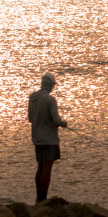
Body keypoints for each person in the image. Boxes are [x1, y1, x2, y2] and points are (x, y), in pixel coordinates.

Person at [28, 72, 67, 202]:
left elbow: (30, 118)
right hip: (49, 139)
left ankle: (38, 197)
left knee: (40, 167)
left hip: (37, 138)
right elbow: (56, 120)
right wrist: (63, 123)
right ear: (50, 85)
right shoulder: (50, 100)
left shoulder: (33, 99)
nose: (52, 88)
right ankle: (43, 198)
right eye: (52, 85)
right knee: (47, 169)